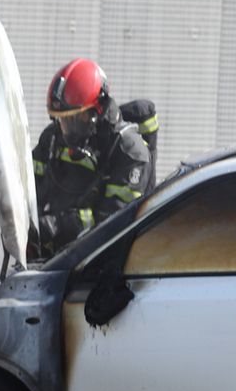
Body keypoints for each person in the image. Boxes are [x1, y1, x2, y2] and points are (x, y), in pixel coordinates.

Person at [30, 58, 155, 256]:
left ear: (96, 110)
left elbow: (113, 223)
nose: (64, 129)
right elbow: (28, 185)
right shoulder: (54, 138)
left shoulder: (129, 152)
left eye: (72, 119)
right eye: (60, 119)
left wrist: (57, 226)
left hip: (103, 268)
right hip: (53, 261)